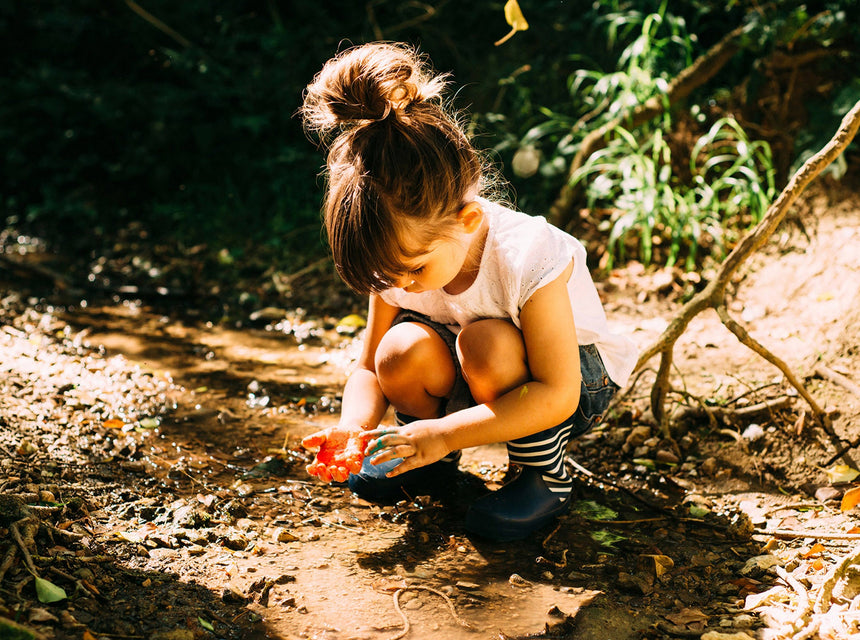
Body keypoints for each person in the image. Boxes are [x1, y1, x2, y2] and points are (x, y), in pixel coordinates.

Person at [299, 42, 637, 542]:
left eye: (411, 271)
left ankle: (541, 475)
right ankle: (426, 465)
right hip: (476, 370)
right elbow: (370, 367)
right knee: (400, 349)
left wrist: (443, 432)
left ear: (468, 220)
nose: (398, 287)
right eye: (384, 276)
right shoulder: (399, 262)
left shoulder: (528, 255)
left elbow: (558, 393)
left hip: (567, 385)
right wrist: (353, 429)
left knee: (487, 342)